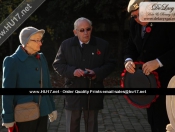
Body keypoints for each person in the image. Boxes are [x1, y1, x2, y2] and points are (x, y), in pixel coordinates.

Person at [52, 17, 116, 132]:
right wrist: (73, 71)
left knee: (91, 127)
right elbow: (58, 65)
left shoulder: (102, 44)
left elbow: (111, 64)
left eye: (88, 29)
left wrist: (96, 72)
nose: (85, 33)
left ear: (92, 29)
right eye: (81, 30)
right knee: (72, 126)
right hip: (73, 92)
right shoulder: (66, 45)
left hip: (93, 91)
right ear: (75, 32)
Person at [124, 0, 175, 131]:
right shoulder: (134, 24)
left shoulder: (167, 20)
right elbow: (131, 46)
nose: (138, 19)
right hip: (149, 82)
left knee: (169, 121)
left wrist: (158, 62)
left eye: (141, 14)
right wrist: (128, 60)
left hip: (169, 80)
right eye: (134, 16)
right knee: (154, 120)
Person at [1, 26, 57, 132]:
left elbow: (47, 84)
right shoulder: (12, 61)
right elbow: (7, 93)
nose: (40, 43)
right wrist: (8, 118)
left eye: (40, 40)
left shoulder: (41, 58)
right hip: (24, 114)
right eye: (37, 40)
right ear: (26, 42)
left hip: (43, 112)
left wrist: (52, 107)